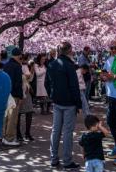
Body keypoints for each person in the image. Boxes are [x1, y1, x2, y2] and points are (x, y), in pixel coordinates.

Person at [45, 41, 82, 169]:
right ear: (69, 51)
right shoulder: (69, 65)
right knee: (67, 132)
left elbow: (47, 83)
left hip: (57, 101)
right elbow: (74, 86)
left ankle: (53, 158)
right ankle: (67, 161)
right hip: (69, 102)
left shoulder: (52, 64)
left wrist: (52, 95)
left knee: (55, 130)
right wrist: (79, 104)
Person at [2, 47, 23, 146]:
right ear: (19, 55)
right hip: (14, 94)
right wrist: (20, 96)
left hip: (6, 93)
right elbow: (18, 83)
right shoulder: (17, 66)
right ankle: (9, 138)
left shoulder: (6, 65)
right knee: (13, 117)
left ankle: (3, 136)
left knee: (6, 116)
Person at [17, 54, 35, 142]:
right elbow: (28, 78)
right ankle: (20, 134)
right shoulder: (19, 66)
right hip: (20, 91)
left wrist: (32, 70)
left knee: (28, 112)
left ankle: (25, 133)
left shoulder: (25, 66)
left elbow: (30, 79)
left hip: (26, 91)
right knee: (20, 113)